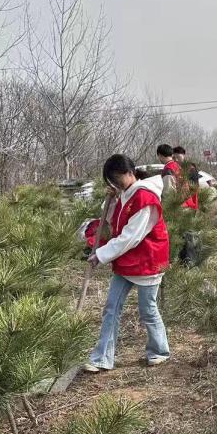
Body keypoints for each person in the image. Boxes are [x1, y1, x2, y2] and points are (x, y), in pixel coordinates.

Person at [84, 154, 172, 373]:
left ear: (130, 173)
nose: (115, 183)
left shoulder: (145, 197)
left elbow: (131, 236)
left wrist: (101, 255)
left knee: (147, 309)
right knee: (111, 308)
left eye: (117, 178)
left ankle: (159, 351)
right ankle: (102, 358)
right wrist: (112, 201)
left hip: (148, 260)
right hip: (127, 261)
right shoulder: (125, 194)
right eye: (111, 180)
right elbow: (114, 222)